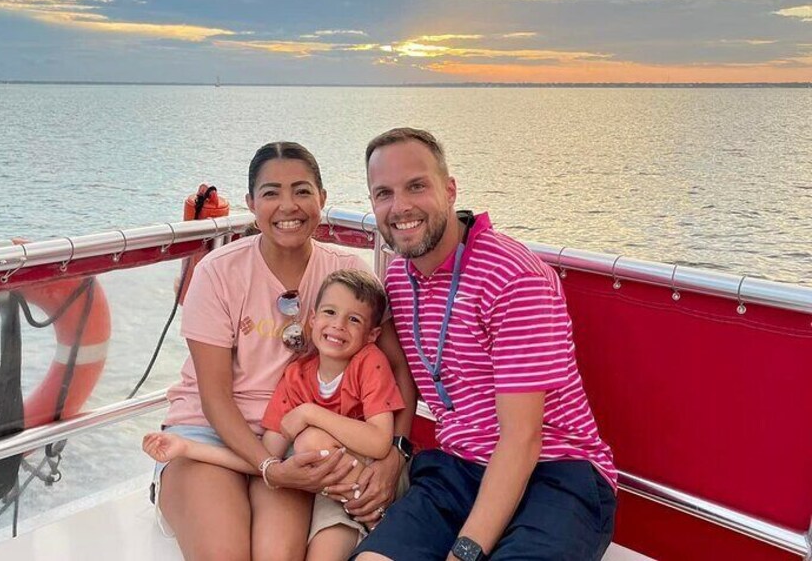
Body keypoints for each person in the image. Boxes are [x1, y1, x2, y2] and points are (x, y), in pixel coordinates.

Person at [352, 128, 618, 561]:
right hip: (459, 469)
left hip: (556, 472)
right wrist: (395, 454)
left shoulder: (513, 277)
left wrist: (465, 552)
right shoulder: (399, 279)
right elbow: (399, 375)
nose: (400, 207)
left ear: (450, 189)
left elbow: (522, 438)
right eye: (384, 193)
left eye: (416, 186)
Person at [153, 142, 416, 561]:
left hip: (293, 440)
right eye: (271, 192)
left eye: (302, 190)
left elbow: (397, 369)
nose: (287, 205)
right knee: (225, 554)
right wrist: (267, 468)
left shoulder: (346, 273)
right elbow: (215, 398)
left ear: (322, 199)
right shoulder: (218, 272)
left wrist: (395, 457)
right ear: (251, 203)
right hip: (210, 435)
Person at [145, 269, 405, 560]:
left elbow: (380, 442)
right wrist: (188, 447)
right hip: (327, 492)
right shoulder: (297, 378)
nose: (338, 325)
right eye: (330, 313)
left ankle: (380, 522)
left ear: (372, 335)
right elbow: (266, 458)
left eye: (353, 319)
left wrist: (310, 412)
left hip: (364, 476)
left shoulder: (370, 362)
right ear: (312, 319)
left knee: (310, 441)